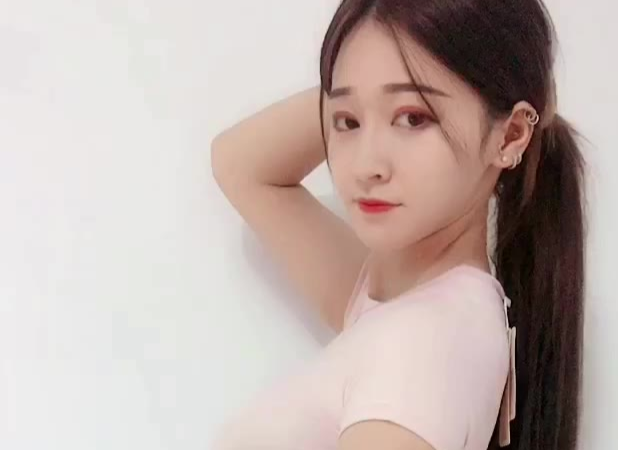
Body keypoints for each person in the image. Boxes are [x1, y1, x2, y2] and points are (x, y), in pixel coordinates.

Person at [210, 0, 586, 449]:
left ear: (510, 135)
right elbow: (240, 165)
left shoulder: (424, 344)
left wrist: (365, 90)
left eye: (413, 118)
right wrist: (367, 79)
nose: (366, 165)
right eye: (348, 122)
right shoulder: (399, 303)